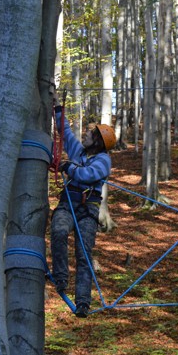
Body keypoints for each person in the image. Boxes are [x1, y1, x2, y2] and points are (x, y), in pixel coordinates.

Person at [50, 101, 116, 318]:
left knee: (83, 254)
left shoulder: (103, 160)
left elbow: (88, 175)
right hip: (68, 204)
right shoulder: (79, 151)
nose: (85, 135)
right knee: (58, 230)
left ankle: (83, 302)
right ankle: (60, 277)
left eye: (90, 133)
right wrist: (57, 109)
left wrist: (69, 166)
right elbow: (65, 132)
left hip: (87, 211)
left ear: (98, 141)